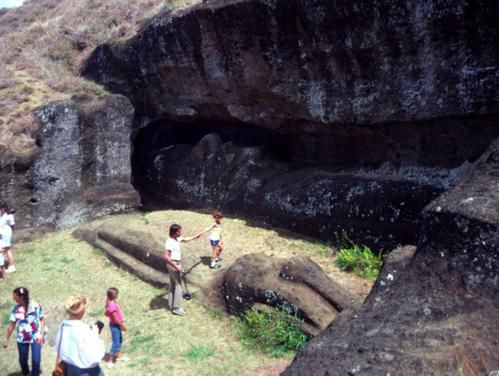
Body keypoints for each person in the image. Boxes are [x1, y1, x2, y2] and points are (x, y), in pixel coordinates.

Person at [55, 296, 105, 376]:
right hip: (88, 372)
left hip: (70, 370)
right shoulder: (84, 330)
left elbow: (59, 348)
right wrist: (95, 336)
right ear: (82, 311)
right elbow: (95, 357)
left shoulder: (62, 327)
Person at [3, 287, 45, 376]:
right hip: (22, 338)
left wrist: (42, 335)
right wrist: (6, 338)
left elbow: (41, 319)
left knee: (36, 360)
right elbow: (11, 324)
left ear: (21, 297)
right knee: (22, 359)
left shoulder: (35, 306)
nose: (13, 298)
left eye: (15, 296)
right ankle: (25, 373)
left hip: (35, 336)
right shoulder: (16, 309)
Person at [163, 224, 202, 316]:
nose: (181, 233)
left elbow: (185, 239)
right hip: (173, 264)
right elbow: (165, 256)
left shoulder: (177, 239)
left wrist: (195, 237)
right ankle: (176, 308)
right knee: (178, 286)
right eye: (179, 231)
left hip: (174, 264)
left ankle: (171, 304)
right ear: (174, 232)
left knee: (173, 284)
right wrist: (176, 266)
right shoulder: (170, 242)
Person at [104, 287, 128, 368]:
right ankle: (110, 360)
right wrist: (122, 325)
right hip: (115, 325)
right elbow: (114, 318)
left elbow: (106, 314)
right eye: (117, 294)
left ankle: (118, 356)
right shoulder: (112, 305)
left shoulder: (110, 303)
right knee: (116, 343)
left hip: (115, 324)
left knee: (119, 340)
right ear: (114, 296)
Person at [0, 202, 16, 273]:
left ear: (4, 208)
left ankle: (12, 266)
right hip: (1, 234)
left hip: (6, 235)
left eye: (0, 208)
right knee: (5, 250)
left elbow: (12, 225)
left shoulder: (9, 215)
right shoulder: (1, 214)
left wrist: (9, 232)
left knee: (6, 250)